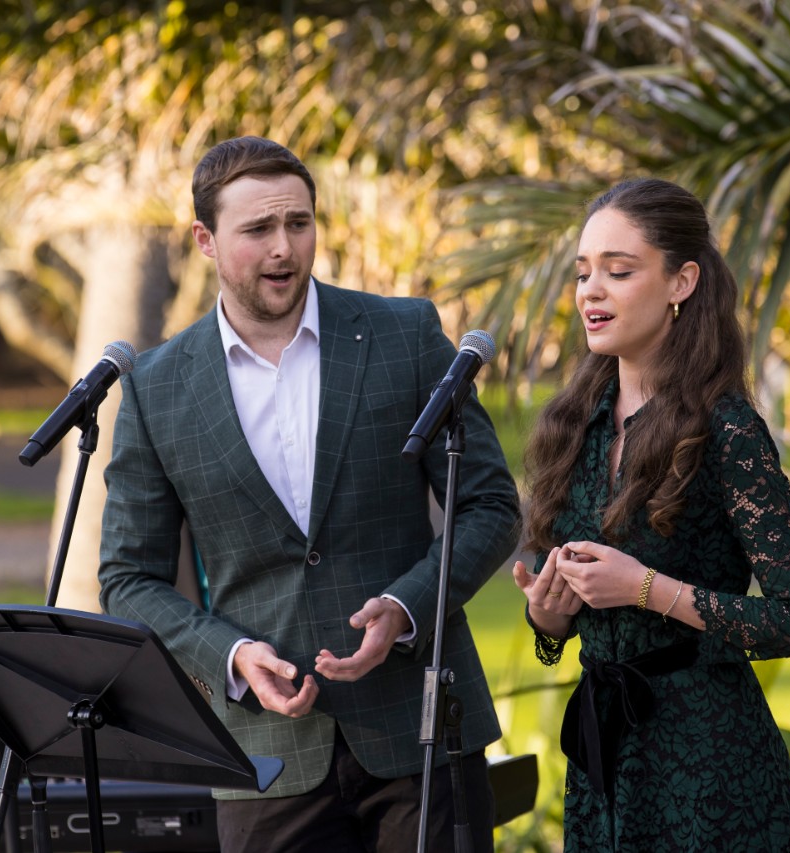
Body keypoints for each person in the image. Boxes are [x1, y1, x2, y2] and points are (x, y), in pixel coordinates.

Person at [98, 135, 521, 853]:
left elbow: (491, 506)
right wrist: (229, 655)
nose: (283, 248)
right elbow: (127, 577)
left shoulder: (405, 334)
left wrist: (405, 607)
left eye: (298, 222)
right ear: (204, 239)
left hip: (419, 733)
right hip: (267, 757)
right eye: (257, 229)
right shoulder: (155, 386)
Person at [512, 177, 790, 851]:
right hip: (605, 760)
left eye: (618, 271)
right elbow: (564, 615)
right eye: (583, 273)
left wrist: (646, 590)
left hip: (709, 766)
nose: (591, 291)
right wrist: (551, 611)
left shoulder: (727, 429)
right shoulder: (579, 426)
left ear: (681, 281)